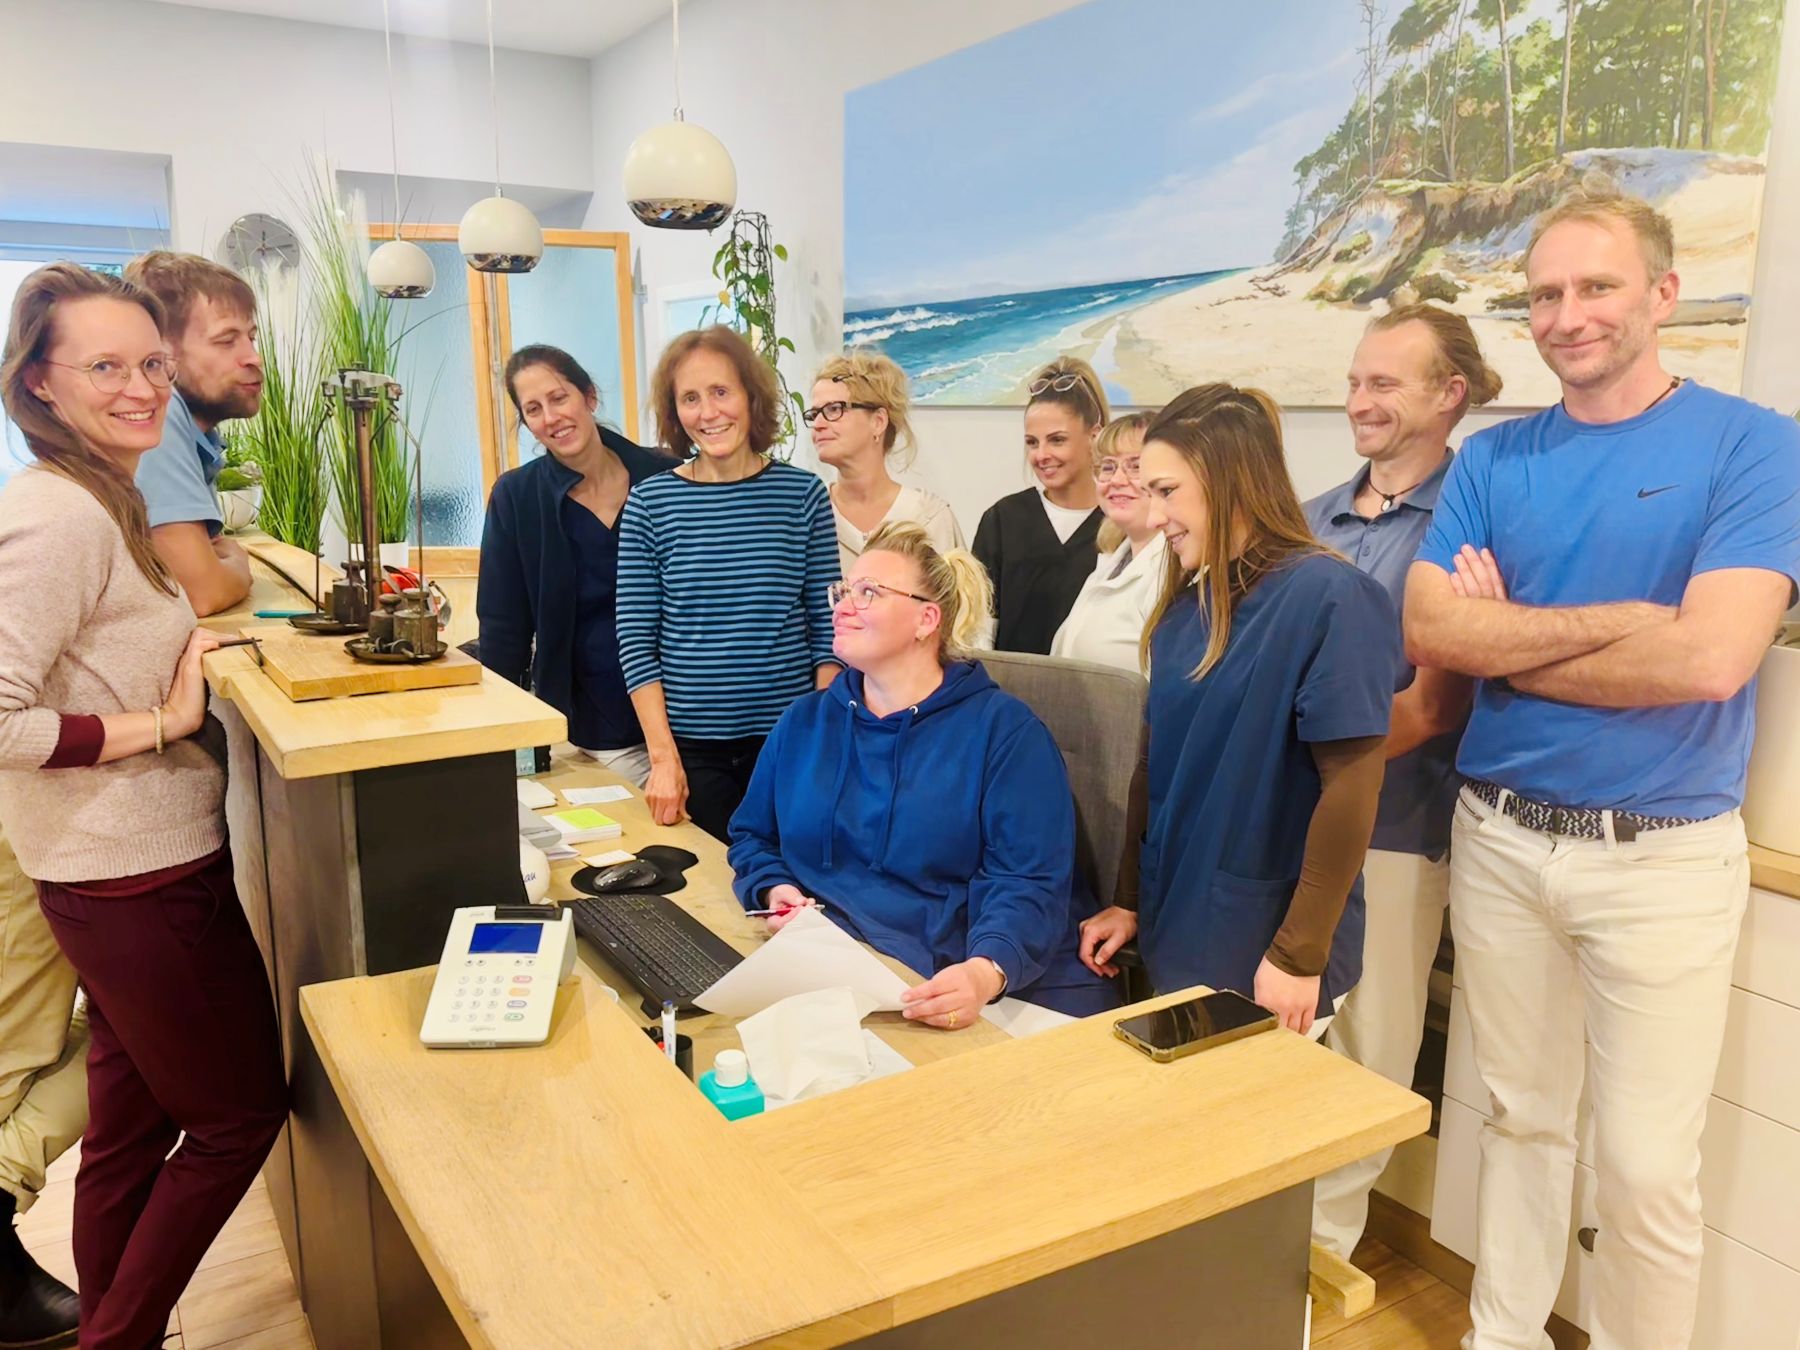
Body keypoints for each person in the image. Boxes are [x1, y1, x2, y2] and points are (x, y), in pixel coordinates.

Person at [1405, 187, 1800, 1350]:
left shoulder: (1753, 445)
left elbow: (1712, 660)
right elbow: (1434, 629)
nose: (1567, 315)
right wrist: (1632, 624)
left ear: (1663, 294)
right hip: (1500, 838)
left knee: (1644, 1170)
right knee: (1519, 1121)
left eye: (1596, 286)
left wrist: (1512, 640)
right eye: (1545, 294)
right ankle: (1502, 1337)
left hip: (1661, 859)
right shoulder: (1494, 456)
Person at [0, 264, 287, 1349]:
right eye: (107, 367)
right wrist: (161, 721)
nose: (142, 388)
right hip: (133, 873)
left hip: (115, 867)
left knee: (128, 1128)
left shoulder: (102, 495)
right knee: (238, 1119)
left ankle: (116, 1328)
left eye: (153, 363)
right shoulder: (60, 514)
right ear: (39, 381)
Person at [1076, 384, 1401, 1037]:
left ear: (1227, 480)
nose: (1154, 514)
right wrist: (1129, 901)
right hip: (1180, 924)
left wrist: (1297, 953)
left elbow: (1351, 786)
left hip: (1266, 945)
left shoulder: (1331, 599)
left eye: (1167, 491)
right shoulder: (1184, 612)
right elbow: (1154, 771)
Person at [727, 522, 1118, 1024]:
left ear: (926, 619)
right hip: (844, 962)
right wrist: (773, 887)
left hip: (969, 980)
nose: (843, 607)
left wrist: (986, 971)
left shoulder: (1006, 733)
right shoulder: (805, 720)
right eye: (843, 591)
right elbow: (753, 835)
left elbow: (1027, 880)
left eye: (868, 593)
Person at [1304, 304, 1500, 1260]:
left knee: (1371, 1048)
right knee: (1283, 1037)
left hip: (1395, 827)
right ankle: (1253, 1239)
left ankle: (1320, 1254)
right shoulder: (1311, 520)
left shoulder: (1471, 522)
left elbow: (1432, 708)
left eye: (1383, 383)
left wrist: (1295, 762)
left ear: (1449, 394)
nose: (1358, 401)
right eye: (1353, 381)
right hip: (1292, 823)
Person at [617, 326, 840, 841]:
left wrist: (819, 737)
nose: (709, 412)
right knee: (715, 883)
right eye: (690, 398)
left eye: (721, 391)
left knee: (792, 879)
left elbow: (828, 627)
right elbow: (636, 641)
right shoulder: (650, 504)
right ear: (675, 412)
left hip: (788, 744)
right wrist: (663, 760)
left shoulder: (802, 495)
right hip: (693, 753)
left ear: (750, 397)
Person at [478, 345, 672, 786]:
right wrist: (502, 743)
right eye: (533, 409)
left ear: (589, 396)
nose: (551, 417)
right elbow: (503, 630)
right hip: (596, 727)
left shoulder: (666, 475)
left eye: (559, 397)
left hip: (689, 714)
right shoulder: (516, 498)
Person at [123, 251, 263, 617]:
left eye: (251, 338)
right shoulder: (158, 419)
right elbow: (202, 593)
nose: (253, 358)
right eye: (226, 340)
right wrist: (239, 565)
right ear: (161, 354)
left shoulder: (193, 430)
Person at [972, 357, 1106, 653]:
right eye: (1032, 442)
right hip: (1008, 682)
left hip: (1095, 683)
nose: (1041, 455)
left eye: (1057, 440)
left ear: (1094, 436)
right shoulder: (1002, 521)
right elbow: (977, 631)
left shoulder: (1120, 527)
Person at [807, 352, 963, 574]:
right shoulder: (809, 515)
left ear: (878, 421)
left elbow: (962, 596)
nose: (818, 424)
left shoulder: (930, 518)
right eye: (814, 414)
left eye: (834, 409)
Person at [1049, 413, 1166, 670]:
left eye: (1135, 466)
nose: (1117, 480)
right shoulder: (1112, 563)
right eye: (1108, 466)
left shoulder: (1172, 573)